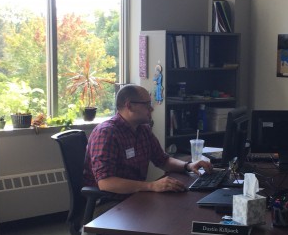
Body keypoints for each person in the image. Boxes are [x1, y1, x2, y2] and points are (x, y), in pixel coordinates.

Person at [84, 84, 213, 195]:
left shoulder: (143, 129)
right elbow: (106, 183)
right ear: (129, 106)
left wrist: (188, 166)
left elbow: (163, 160)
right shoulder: (106, 133)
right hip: (108, 205)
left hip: (135, 197)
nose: (151, 109)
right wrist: (151, 186)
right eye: (147, 105)